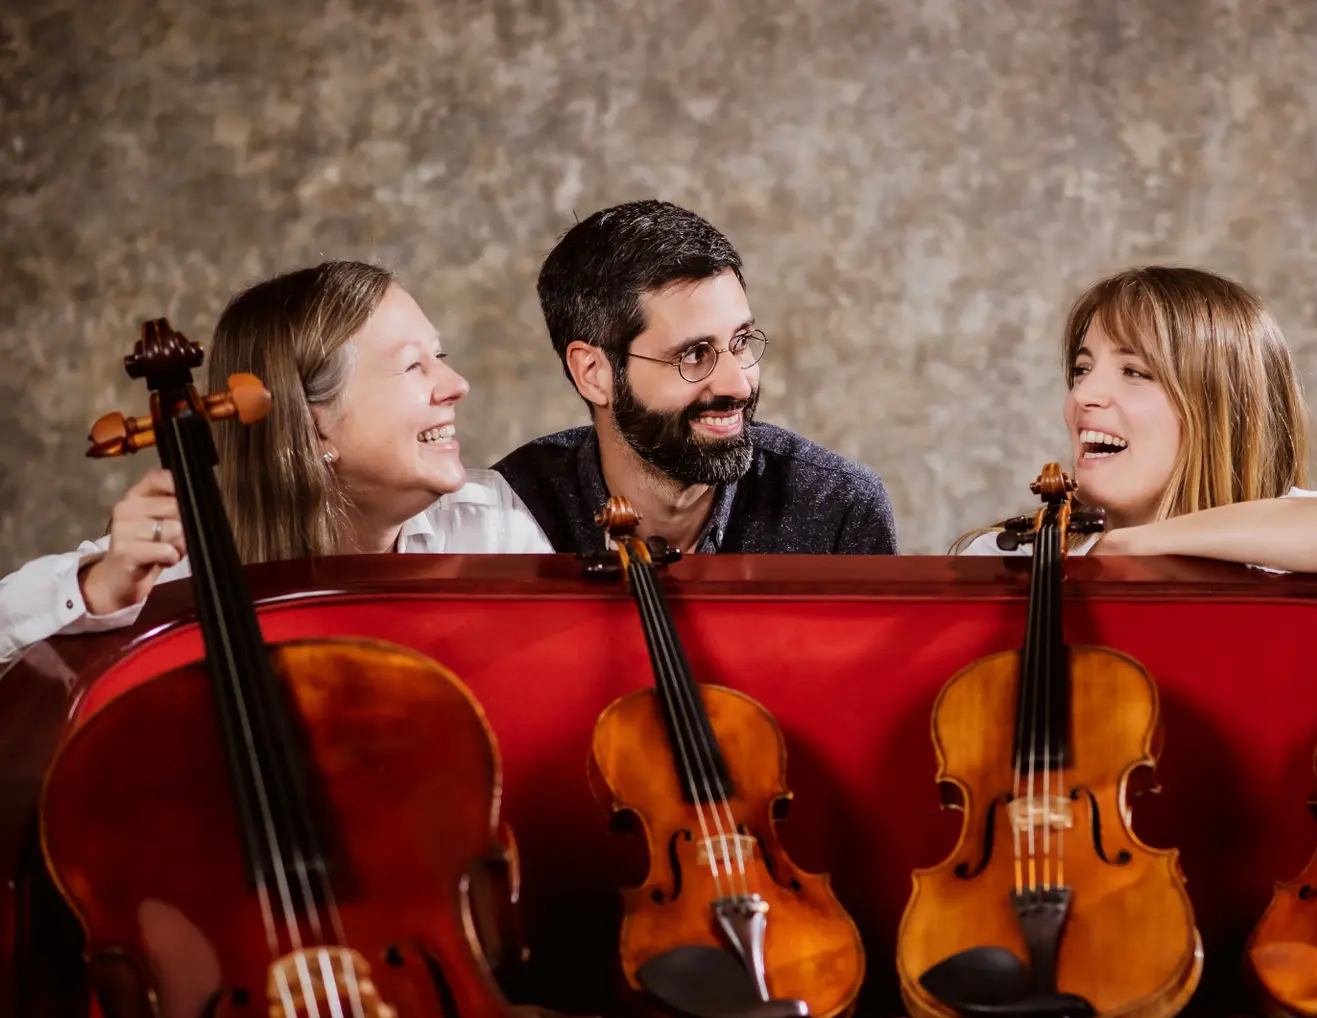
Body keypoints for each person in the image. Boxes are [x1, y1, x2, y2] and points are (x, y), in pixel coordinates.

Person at [0, 261, 551, 671]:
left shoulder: (490, 523)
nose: (456, 386)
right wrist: (100, 591)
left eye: (442, 358)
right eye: (413, 366)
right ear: (314, 429)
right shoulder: (185, 558)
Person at [494, 200, 897, 556]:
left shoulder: (839, 512)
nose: (737, 385)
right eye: (693, 355)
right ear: (593, 373)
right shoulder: (506, 515)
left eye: (740, 342)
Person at [954, 265, 1317, 575]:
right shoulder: (1013, 557)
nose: (1084, 395)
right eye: (1081, 369)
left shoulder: (1293, 539)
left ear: (1217, 406)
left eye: (1135, 372)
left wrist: (1129, 545)